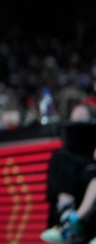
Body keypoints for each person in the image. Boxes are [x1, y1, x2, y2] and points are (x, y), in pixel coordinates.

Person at [42, 101, 96, 243]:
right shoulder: (63, 155)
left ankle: (71, 220)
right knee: (60, 158)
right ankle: (66, 215)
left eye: (82, 114)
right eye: (75, 114)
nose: (77, 116)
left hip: (90, 169)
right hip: (75, 174)